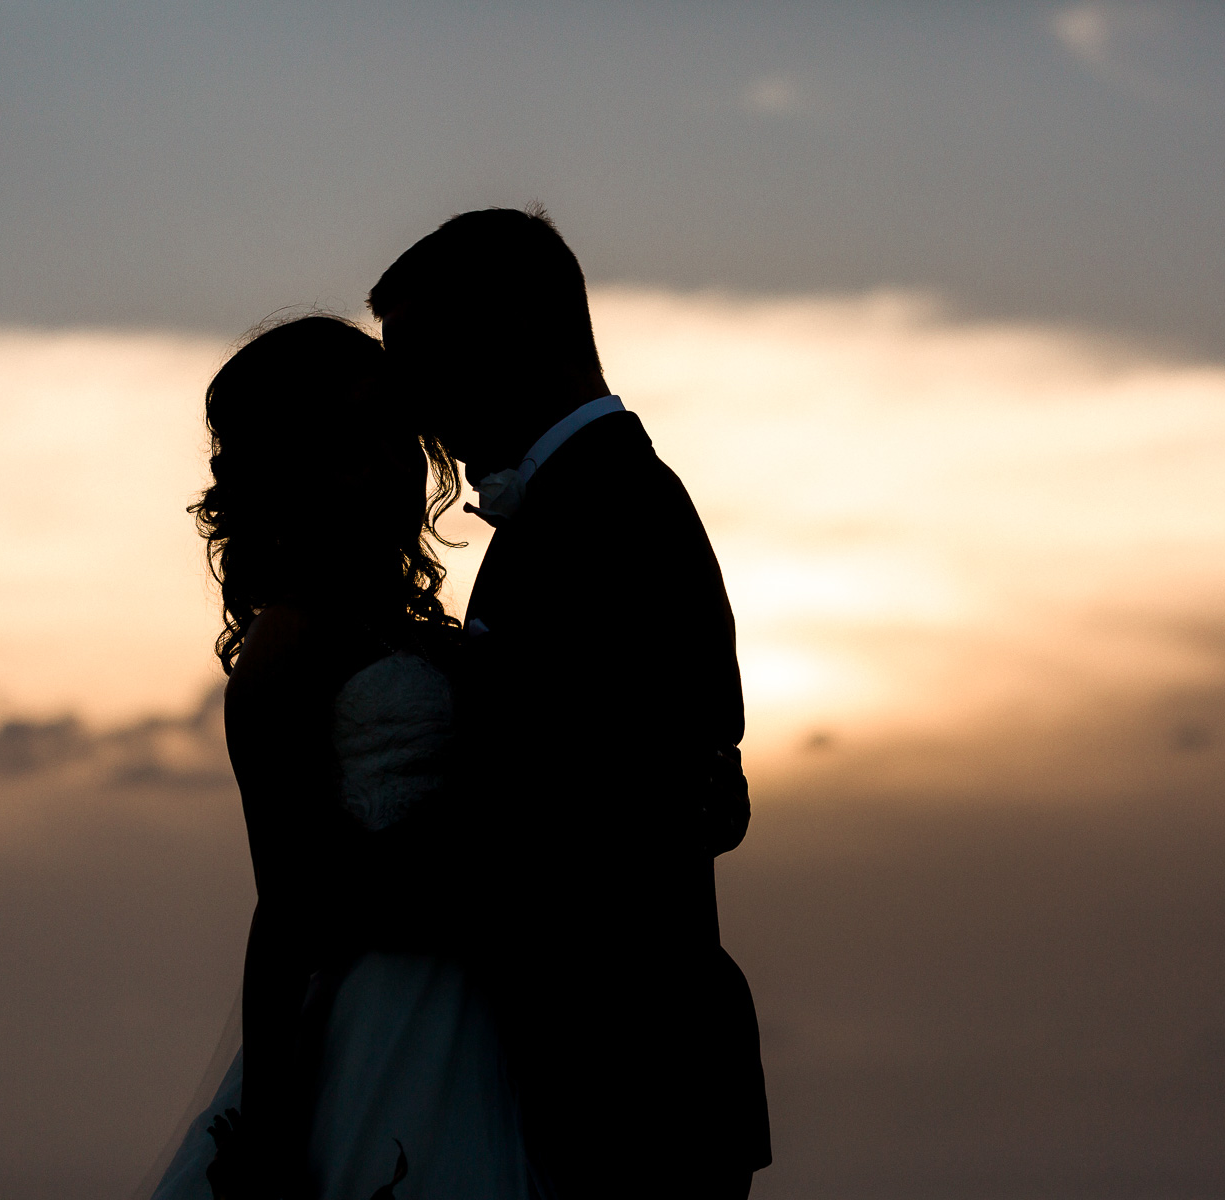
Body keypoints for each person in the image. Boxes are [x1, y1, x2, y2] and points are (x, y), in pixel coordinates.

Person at [371, 207, 772, 1200]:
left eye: (427, 359)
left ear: (517, 332)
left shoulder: (610, 513)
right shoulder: (587, 507)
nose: (415, 405)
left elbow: (581, 811)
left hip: (630, 1084)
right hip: (613, 1079)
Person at [146, 314, 537, 1200]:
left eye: (400, 432)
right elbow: (289, 903)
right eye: (353, 440)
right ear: (293, 470)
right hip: (387, 1022)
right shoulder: (287, 646)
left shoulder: (415, 629)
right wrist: (277, 1138)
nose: (396, 463)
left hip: (495, 1002)